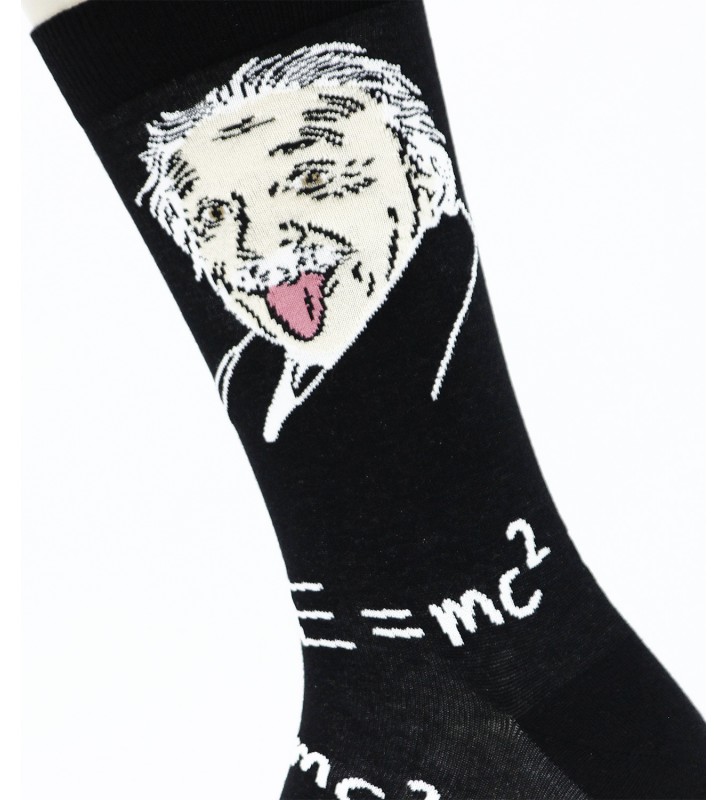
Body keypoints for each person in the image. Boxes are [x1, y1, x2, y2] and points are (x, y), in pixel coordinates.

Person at [25, 2, 705, 798]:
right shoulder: (256, 375)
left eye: (311, 178)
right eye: (214, 213)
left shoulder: (424, 338)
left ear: (421, 176)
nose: (259, 245)